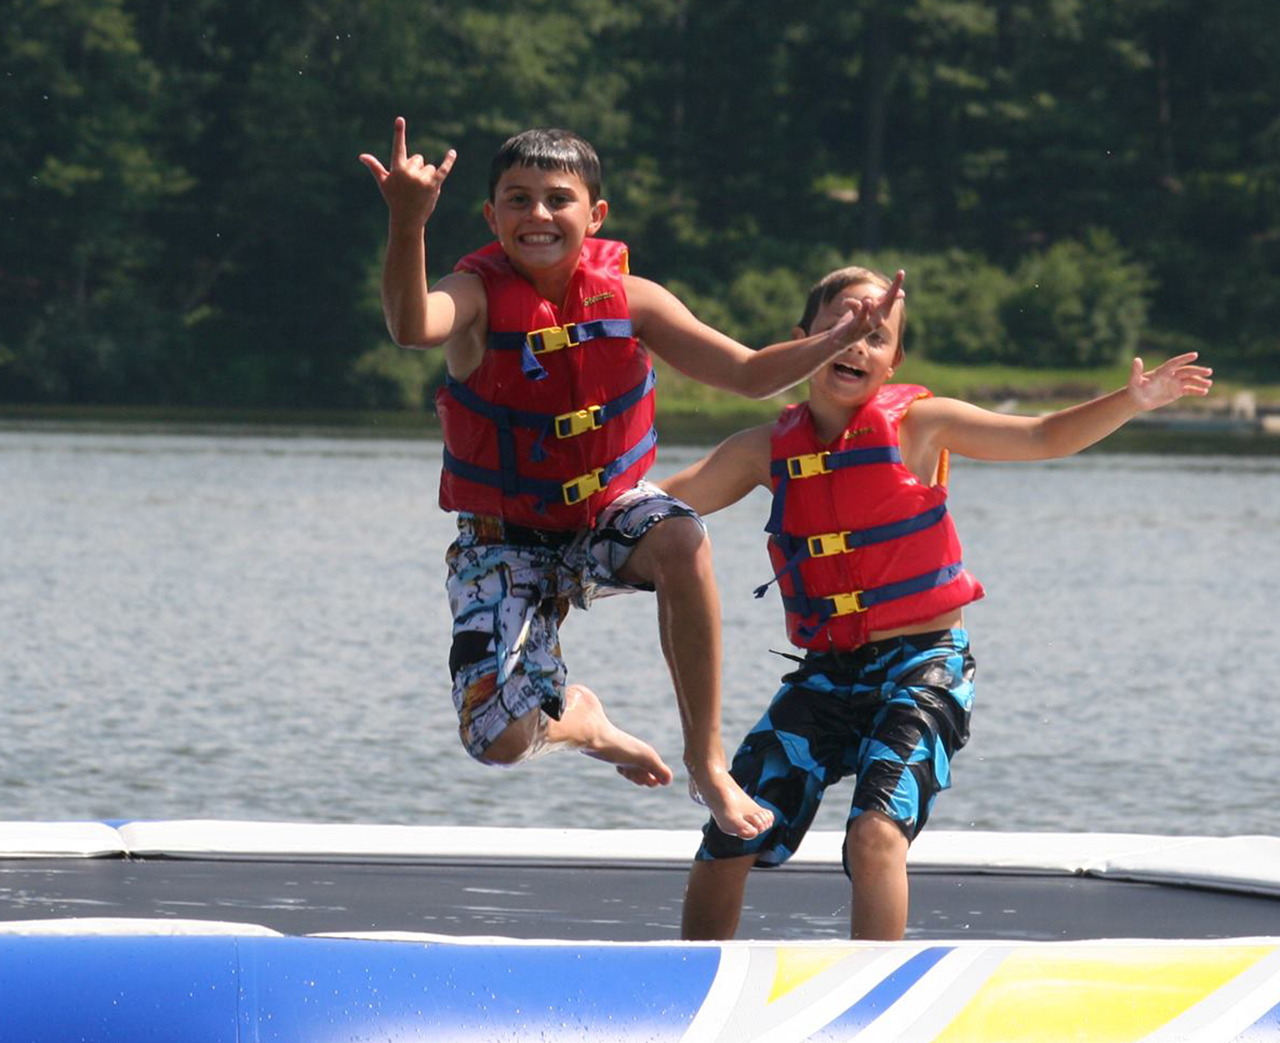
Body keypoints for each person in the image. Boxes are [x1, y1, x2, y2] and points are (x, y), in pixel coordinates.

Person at [359, 121, 902, 839]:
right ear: (492, 217)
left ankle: (707, 762)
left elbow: (743, 374)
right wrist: (407, 224)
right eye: (518, 201)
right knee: (497, 740)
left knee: (680, 535)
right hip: (503, 540)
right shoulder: (475, 296)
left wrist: (831, 339)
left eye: (559, 199)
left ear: (596, 215)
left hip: (602, 515)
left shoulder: (633, 299)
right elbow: (410, 325)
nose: (540, 216)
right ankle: (579, 725)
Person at [661, 266, 1212, 935]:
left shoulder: (919, 425)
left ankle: (872, 1004)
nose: (857, 345)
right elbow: (661, 504)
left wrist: (1130, 401)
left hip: (923, 668)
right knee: (731, 832)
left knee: (873, 837)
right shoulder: (763, 451)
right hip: (827, 673)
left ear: (895, 360)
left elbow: (1040, 436)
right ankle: (688, 985)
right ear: (802, 341)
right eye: (842, 327)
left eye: (876, 335)